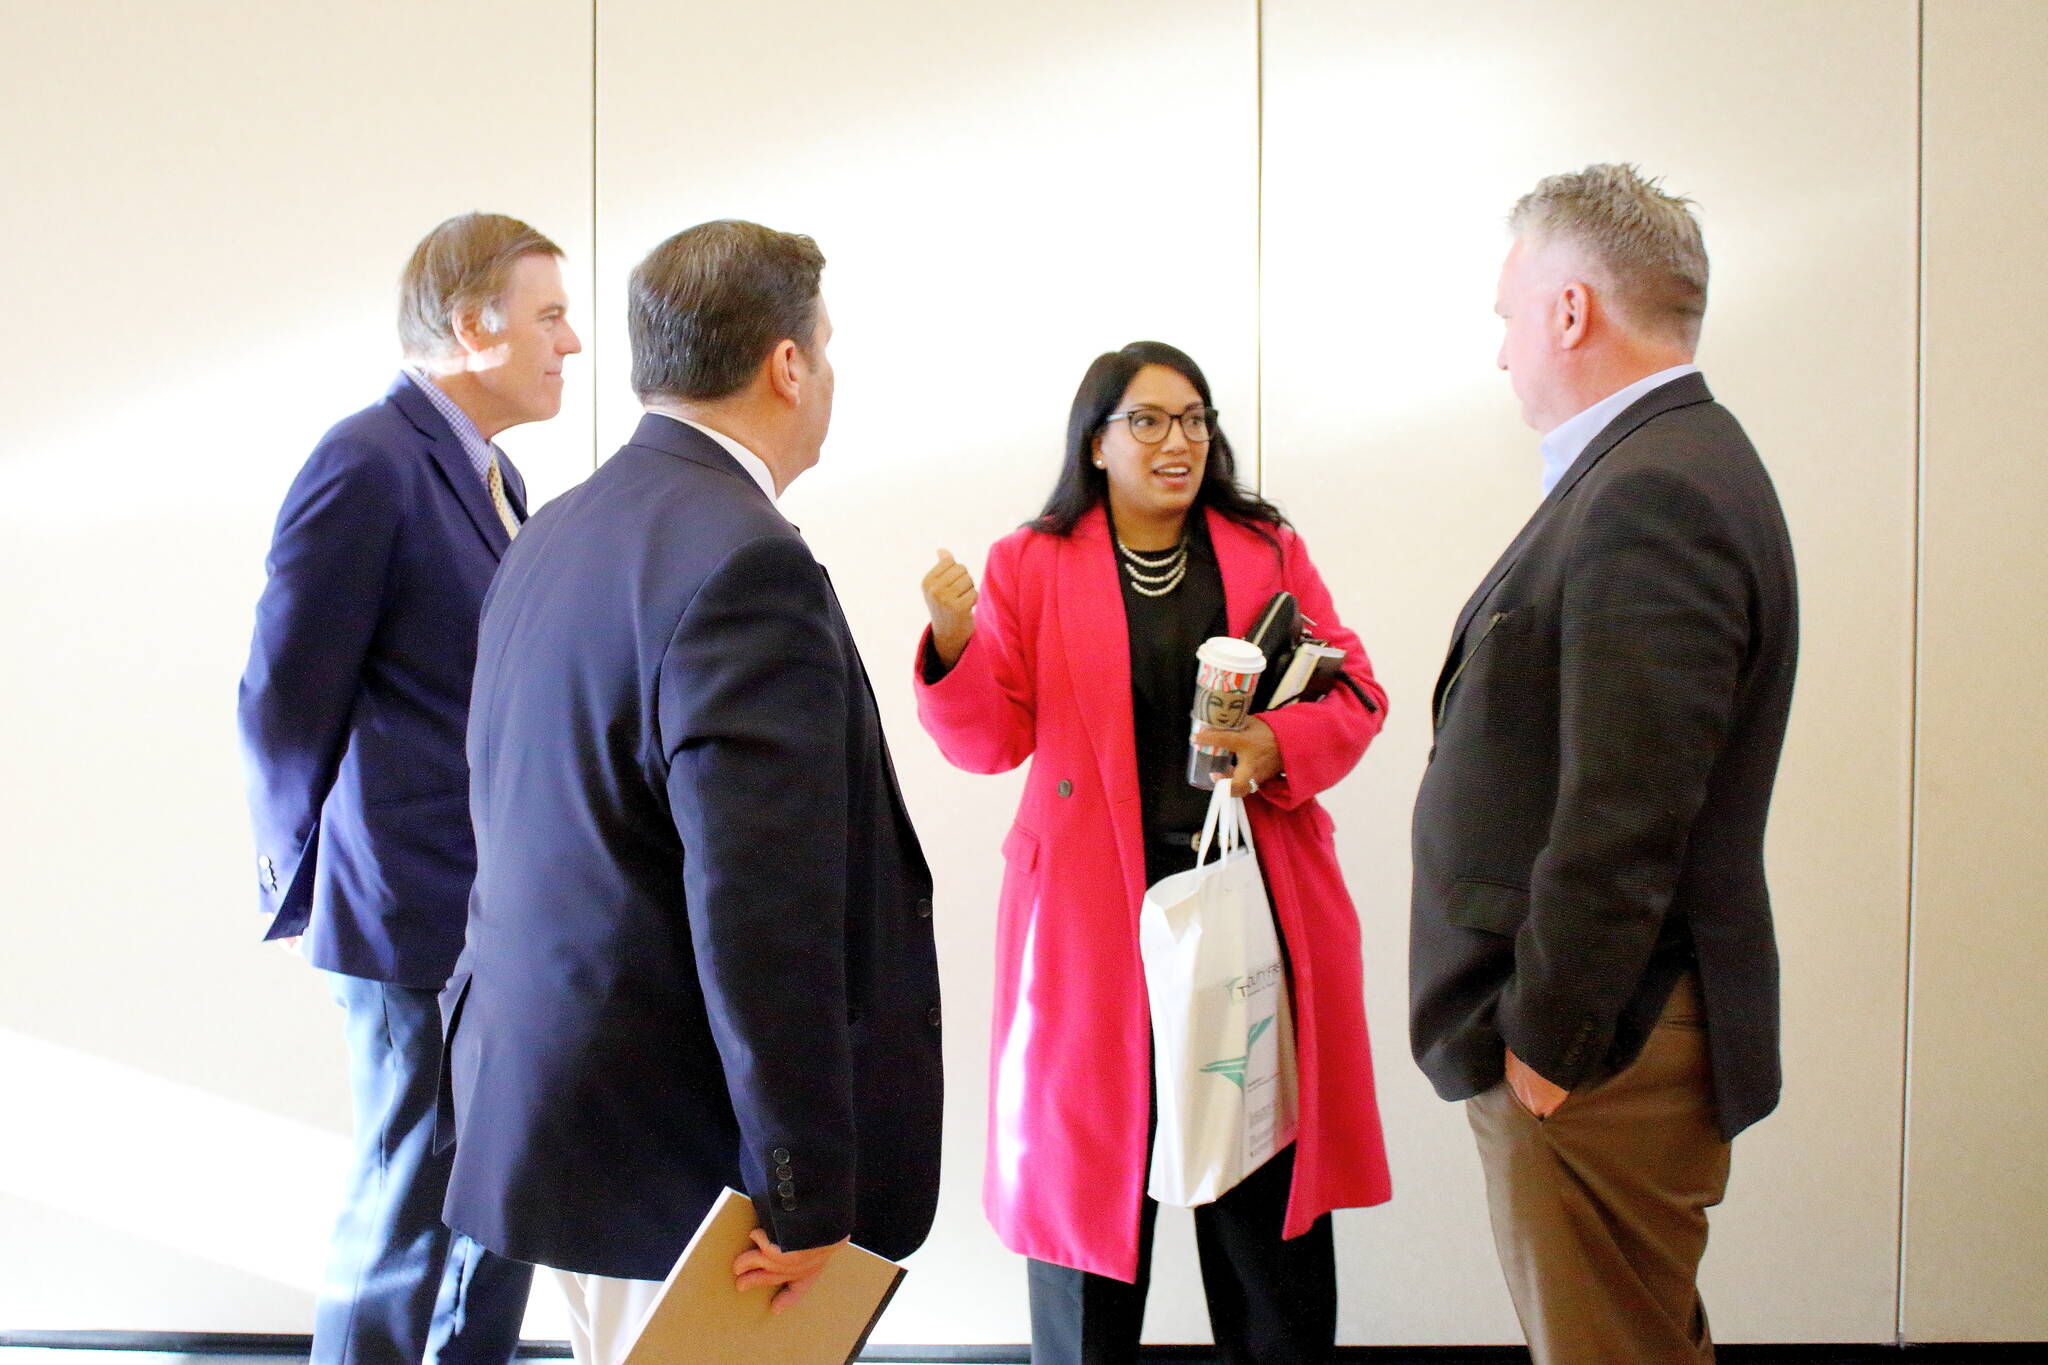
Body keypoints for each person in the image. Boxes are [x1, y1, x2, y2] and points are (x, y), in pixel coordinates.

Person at [441, 219, 943, 1365]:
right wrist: (804, 1187)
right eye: (825, 343)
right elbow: (759, 908)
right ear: (787, 364)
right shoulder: (743, 560)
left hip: (553, 1106)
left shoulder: (556, 530)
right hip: (681, 1150)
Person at [915, 341, 1392, 1365]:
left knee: (1262, 1179)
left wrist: (1275, 745)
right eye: (1147, 420)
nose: (1175, 442)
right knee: (1088, 1194)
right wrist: (954, 644)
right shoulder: (1028, 562)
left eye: (1193, 419)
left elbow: (1355, 692)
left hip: (1248, 900)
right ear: (1095, 442)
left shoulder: (1264, 548)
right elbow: (988, 741)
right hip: (1092, 921)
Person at [1409, 164, 1799, 1365]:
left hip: (1603, 1048)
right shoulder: (1663, 464)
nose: (1500, 352)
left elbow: (1628, 809)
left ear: (1568, 312)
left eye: (1506, 315)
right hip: (1607, 1034)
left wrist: (1548, 1041)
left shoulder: (1656, 490)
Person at [238, 211, 579, 1364]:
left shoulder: (498, 474)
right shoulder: (367, 458)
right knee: (405, 1213)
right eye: (547, 317)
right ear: (471, 327)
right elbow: (284, 697)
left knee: (505, 1203)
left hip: (499, 915)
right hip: (405, 917)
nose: (569, 344)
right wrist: (297, 893)